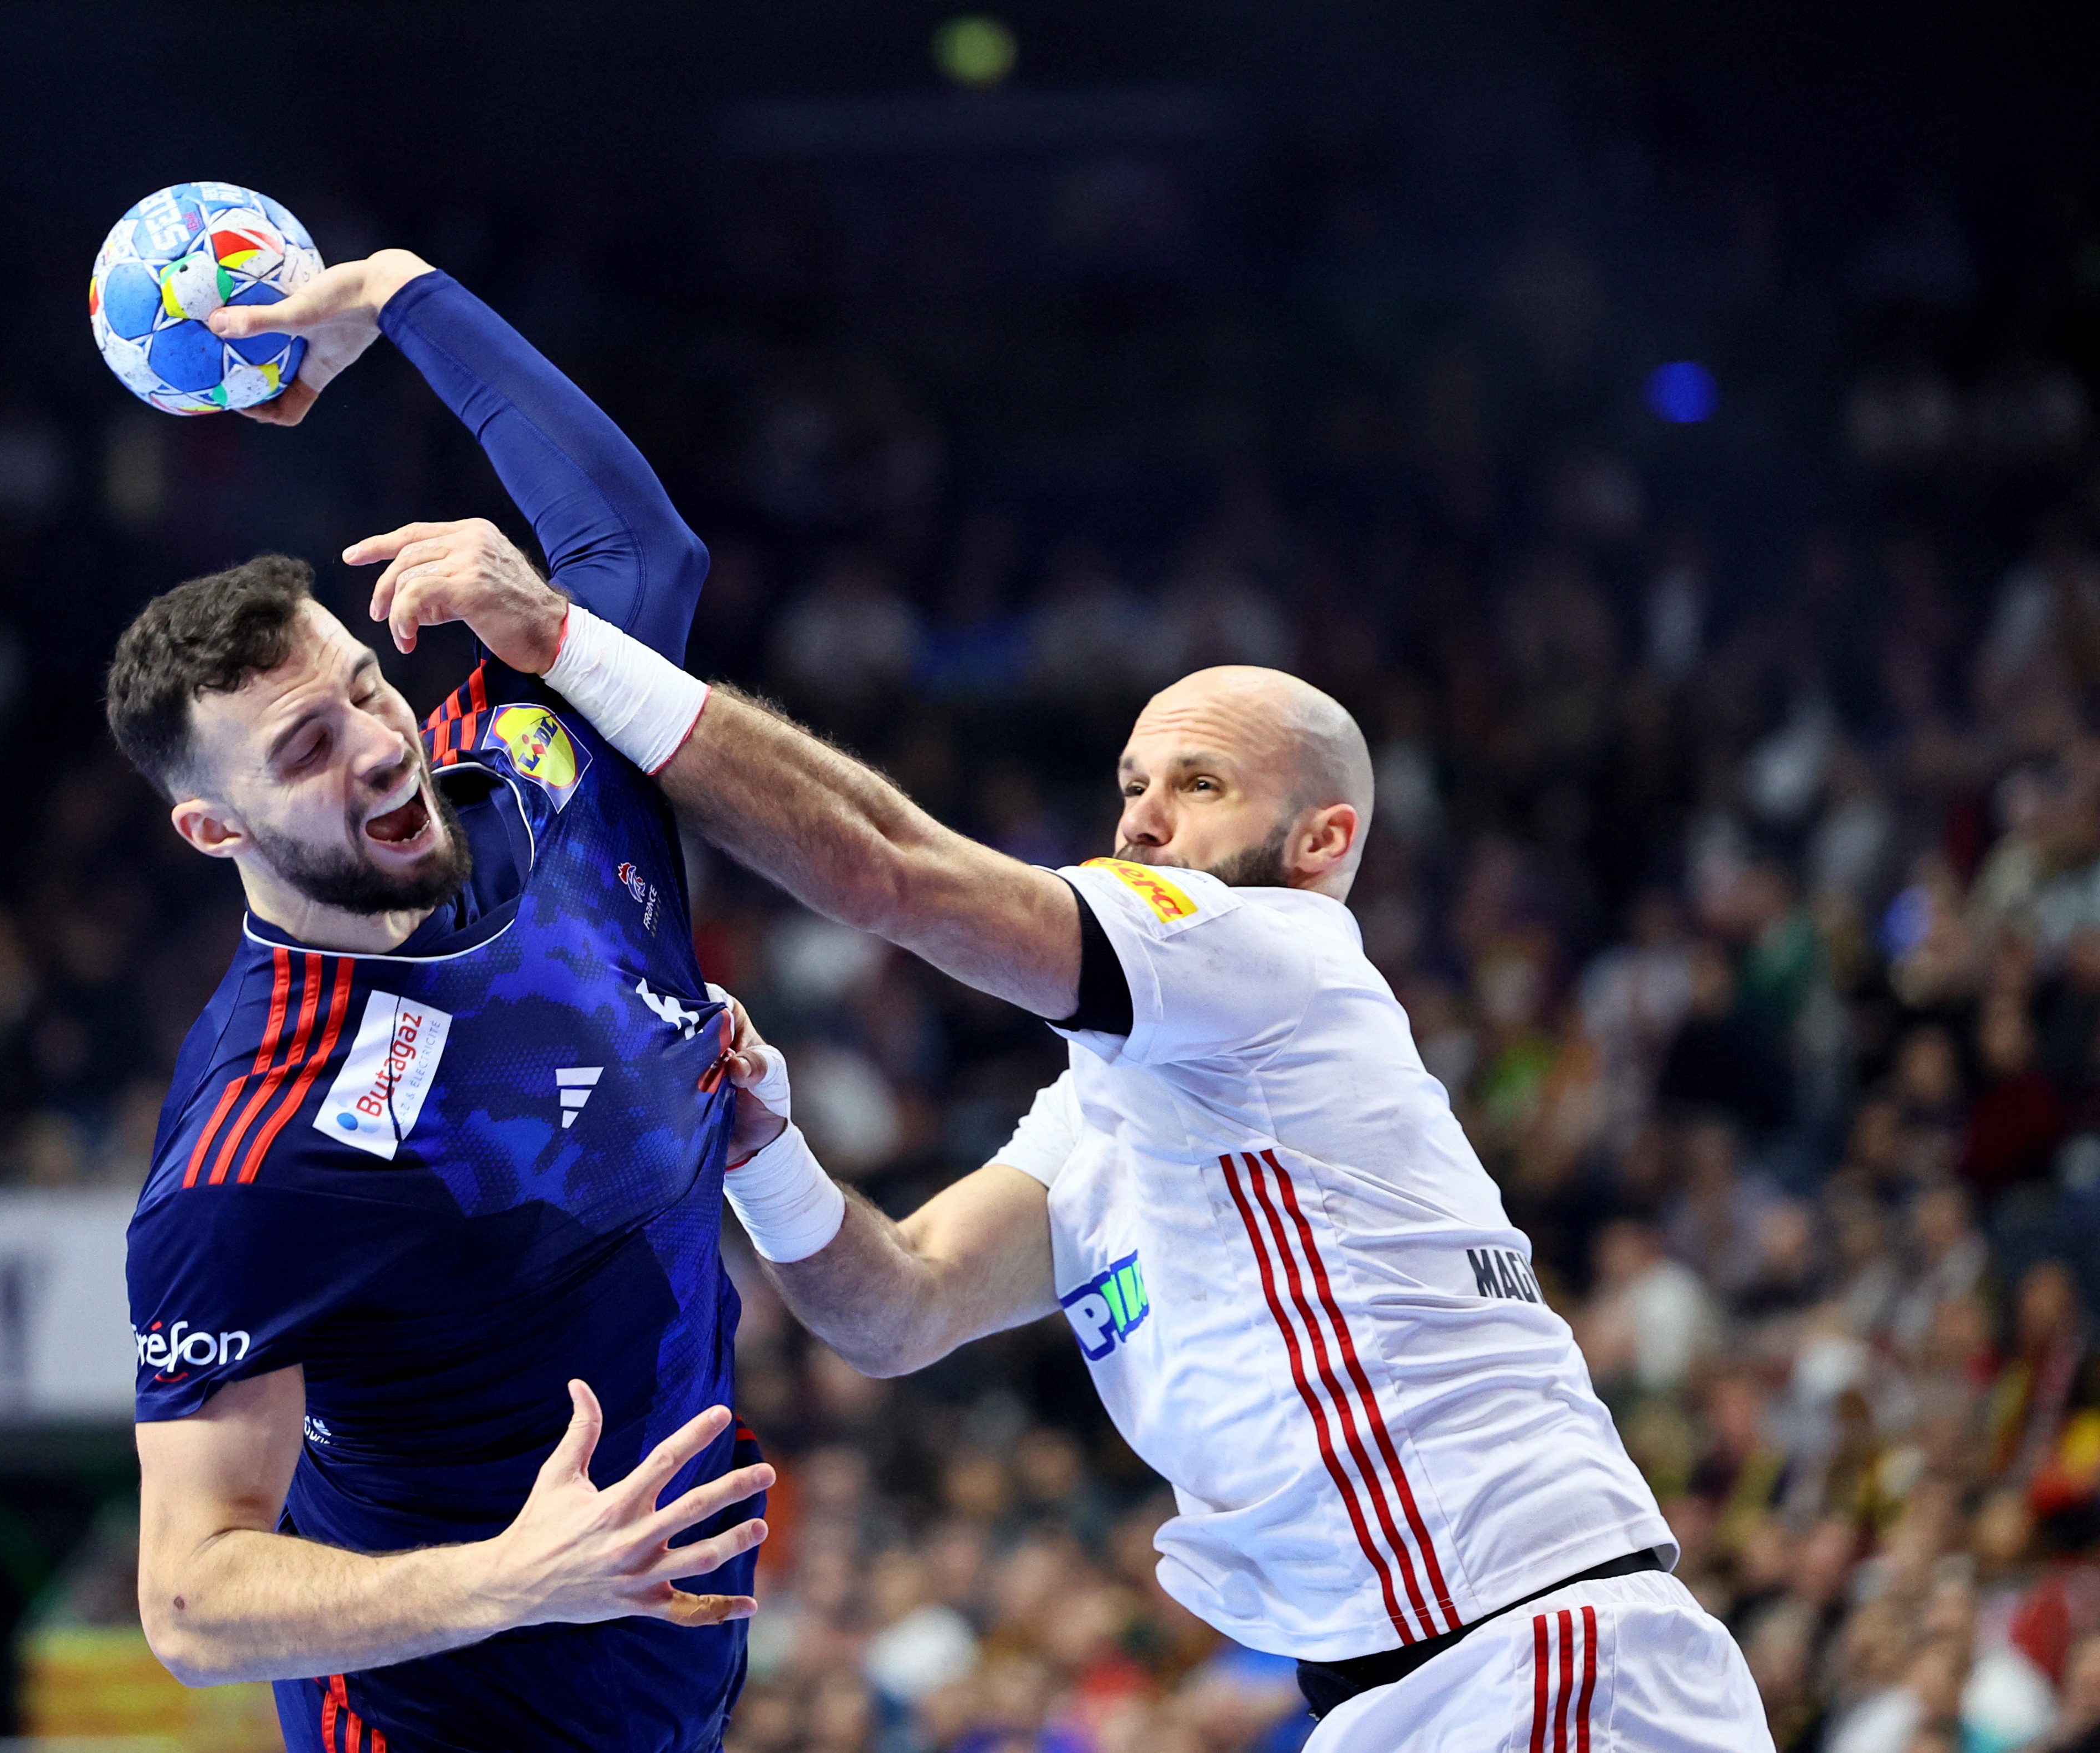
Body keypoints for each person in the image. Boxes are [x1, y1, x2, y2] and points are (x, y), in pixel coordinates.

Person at [291, 512, 1775, 1747]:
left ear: (1321, 841)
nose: (1141, 820)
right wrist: (765, 1146)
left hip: (1539, 1654)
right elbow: (900, 1310)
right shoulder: (1119, 1100)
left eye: (1199, 785)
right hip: (1407, 1689)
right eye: (1131, 785)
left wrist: (564, 644)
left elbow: (889, 871)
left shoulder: (1274, 953)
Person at [109, 250, 776, 1753]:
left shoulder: (537, 758)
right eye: (302, 752)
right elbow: (191, 1600)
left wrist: (403, 300)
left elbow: (638, 551)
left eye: (363, 688)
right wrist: (510, 1582)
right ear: (212, 829)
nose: (372, 746)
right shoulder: (254, 1146)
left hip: (671, 1703)